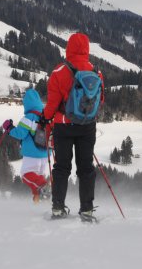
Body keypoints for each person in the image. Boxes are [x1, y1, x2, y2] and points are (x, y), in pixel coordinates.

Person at [42, 32, 104, 221]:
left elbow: (52, 104)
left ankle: (58, 208)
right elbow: (100, 100)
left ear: (68, 48)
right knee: (86, 167)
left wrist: (45, 120)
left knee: (62, 167)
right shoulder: (96, 72)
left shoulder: (59, 71)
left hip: (63, 126)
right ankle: (86, 209)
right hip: (87, 126)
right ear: (86, 48)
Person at [3, 88, 49, 204]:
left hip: (31, 154)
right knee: (37, 177)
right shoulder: (46, 116)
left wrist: (9, 128)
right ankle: (38, 200)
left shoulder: (29, 117)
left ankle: (44, 187)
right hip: (44, 154)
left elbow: (20, 134)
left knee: (26, 175)